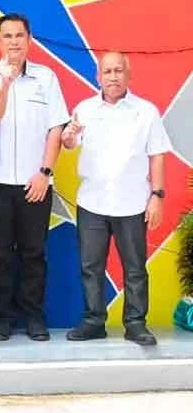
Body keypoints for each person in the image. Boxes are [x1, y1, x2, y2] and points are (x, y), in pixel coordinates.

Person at [0, 14, 69, 341]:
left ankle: (34, 318)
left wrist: (45, 172)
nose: (14, 42)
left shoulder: (46, 78)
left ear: (29, 40)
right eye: (7, 36)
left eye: (19, 36)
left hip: (34, 182)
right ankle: (2, 319)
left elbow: (56, 127)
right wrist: (6, 84)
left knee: (33, 253)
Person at [62, 51, 170, 346]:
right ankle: (93, 321)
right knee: (90, 266)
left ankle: (135, 324)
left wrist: (157, 196)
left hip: (133, 202)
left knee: (134, 268)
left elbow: (156, 156)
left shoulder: (145, 111)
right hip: (92, 202)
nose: (112, 76)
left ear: (128, 75)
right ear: (98, 77)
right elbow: (69, 144)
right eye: (107, 71)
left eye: (118, 71)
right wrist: (69, 135)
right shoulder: (84, 109)